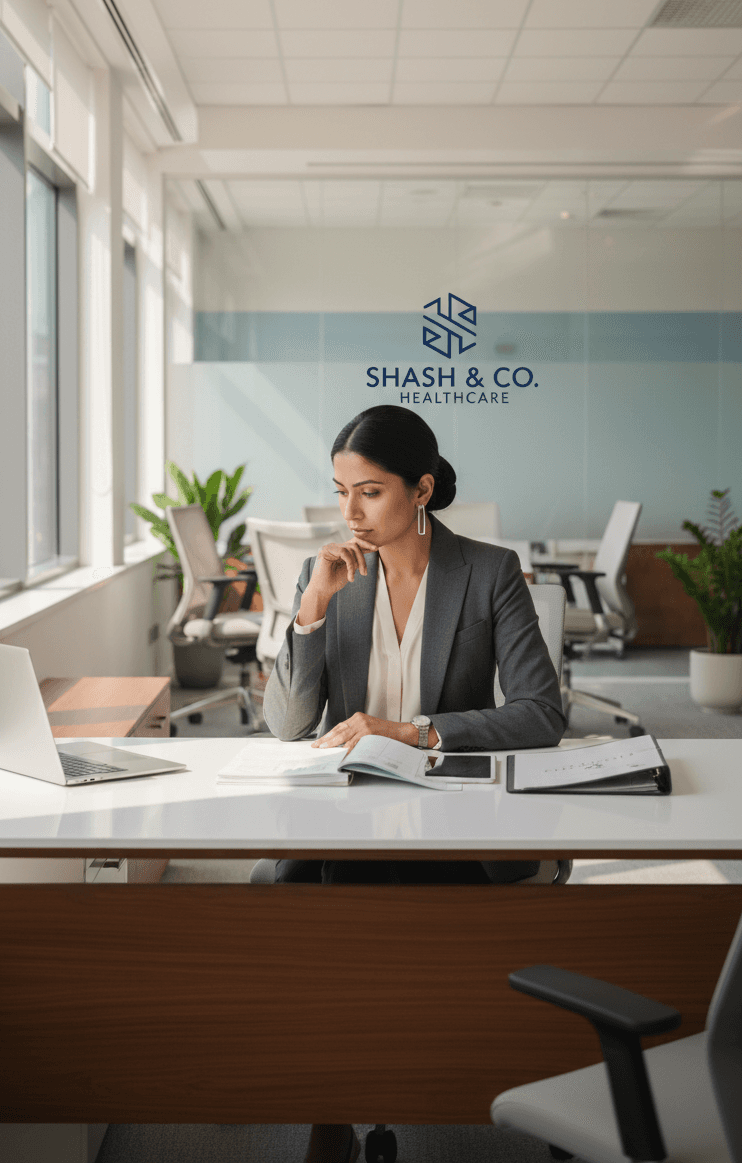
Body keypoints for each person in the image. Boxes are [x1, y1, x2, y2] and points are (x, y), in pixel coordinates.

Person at [263, 405, 566, 1163]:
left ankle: (359, 1089)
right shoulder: (327, 572)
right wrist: (308, 614)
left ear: (421, 489)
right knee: (301, 892)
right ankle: (335, 1094)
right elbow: (288, 726)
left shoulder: (488, 570)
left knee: (347, 893)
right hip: (349, 809)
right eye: (339, 492)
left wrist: (416, 730)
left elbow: (541, 713)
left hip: (451, 808)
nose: (349, 512)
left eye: (369, 491)